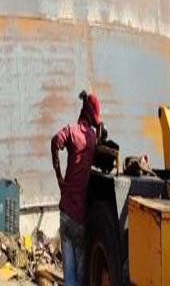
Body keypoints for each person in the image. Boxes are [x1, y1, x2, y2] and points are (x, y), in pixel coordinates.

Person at [51, 90, 101, 286]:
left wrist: (59, 178)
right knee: (79, 278)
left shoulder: (72, 131)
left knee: (68, 276)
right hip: (81, 218)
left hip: (66, 212)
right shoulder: (92, 139)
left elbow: (55, 141)